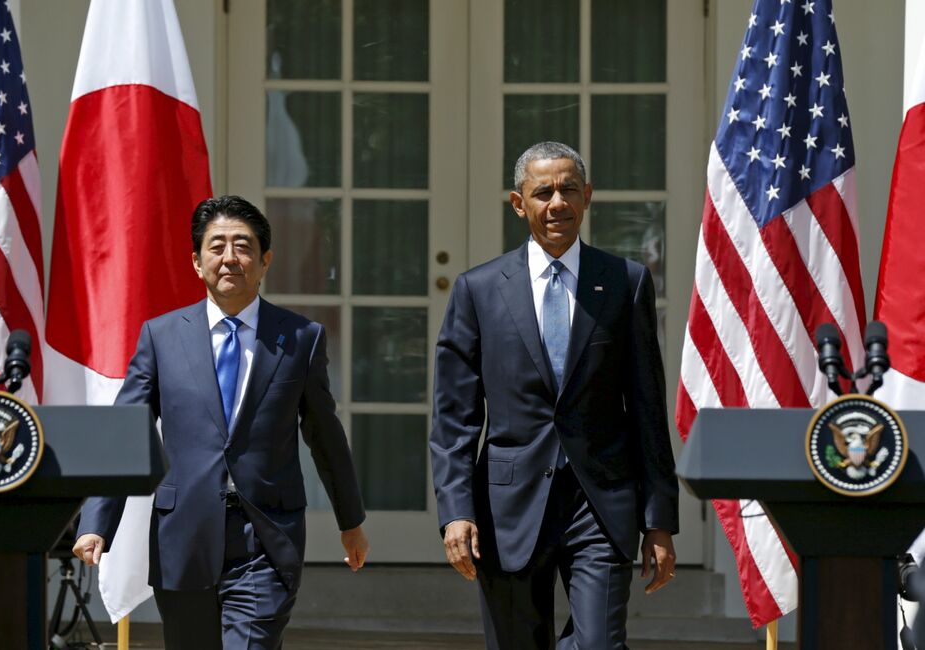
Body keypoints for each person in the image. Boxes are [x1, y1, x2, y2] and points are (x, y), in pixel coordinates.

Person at [73, 195, 369, 650]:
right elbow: (126, 430)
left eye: (243, 246)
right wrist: (97, 520)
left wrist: (350, 520)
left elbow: (324, 434)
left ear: (265, 260)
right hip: (183, 537)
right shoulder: (162, 336)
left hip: (266, 539)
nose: (230, 258)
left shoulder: (300, 339)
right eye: (216, 247)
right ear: (196, 262)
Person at [430, 142, 678, 649]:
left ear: (586, 197)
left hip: (602, 501)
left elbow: (648, 407)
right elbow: (454, 417)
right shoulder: (477, 290)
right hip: (507, 505)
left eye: (568, 189)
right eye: (542, 192)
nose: (557, 202)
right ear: (519, 204)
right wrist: (456, 511)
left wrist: (659, 521)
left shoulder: (625, 282)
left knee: (600, 645)